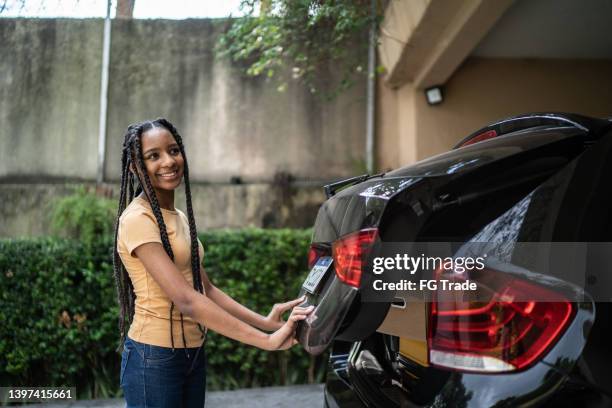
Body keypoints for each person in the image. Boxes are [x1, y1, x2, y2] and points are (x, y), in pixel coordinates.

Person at [112, 118, 312, 408]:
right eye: (153, 156)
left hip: (191, 353)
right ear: (134, 167)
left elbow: (205, 289)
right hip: (153, 358)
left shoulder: (178, 216)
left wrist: (266, 323)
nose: (168, 161)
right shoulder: (137, 220)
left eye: (173, 150)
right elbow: (187, 300)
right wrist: (266, 342)